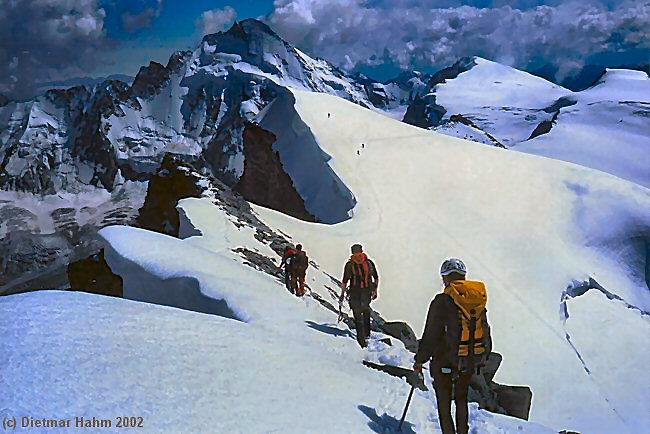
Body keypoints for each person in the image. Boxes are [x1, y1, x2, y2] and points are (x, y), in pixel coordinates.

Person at [413, 258, 492, 434]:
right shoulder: (477, 300)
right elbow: (485, 329)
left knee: (444, 401)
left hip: (445, 360)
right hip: (469, 359)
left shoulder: (442, 301)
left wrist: (420, 360)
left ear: (445, 278)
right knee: (461, 399)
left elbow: (431, 334)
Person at [339, 244, 379, 348]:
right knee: (366, 310)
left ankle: (362, 341)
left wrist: (342, 294)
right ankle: (367, 334)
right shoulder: (369, 262)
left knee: (357, 316)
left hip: (355, 292)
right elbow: (376, 277)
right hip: (367, 291)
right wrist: (375, 290)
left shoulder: (350, 265)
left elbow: (345, 281)